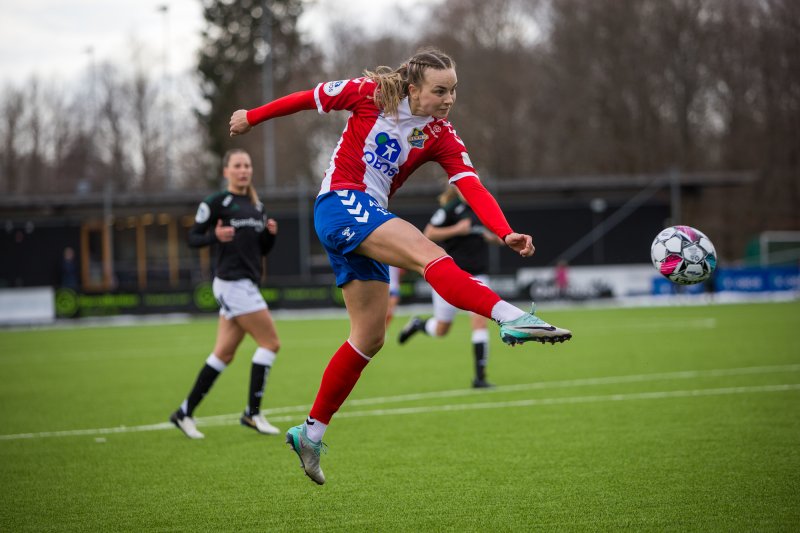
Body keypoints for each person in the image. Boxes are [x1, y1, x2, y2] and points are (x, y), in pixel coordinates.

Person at [229, 47, 572, 484]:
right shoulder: (367, 94)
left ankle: (310, 433)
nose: (449, 99)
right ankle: (512, 316)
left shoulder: (441, 134)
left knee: (369, 337)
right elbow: (305, 98)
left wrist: (505, 232)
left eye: (454, 90)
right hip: (340, 202)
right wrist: (251, 117)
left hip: (364, 217)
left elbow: (472, 186)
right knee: (429, 254)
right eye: (439, 90)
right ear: (412, 88)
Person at [169, 149, 282, 439]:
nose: (243, 170)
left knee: (224, 354)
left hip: (246, 283)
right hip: (232, 283)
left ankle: (184, 412)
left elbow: (262, 250)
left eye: (247, 165)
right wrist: (213, 237)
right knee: (270, 343)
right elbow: (192, 237)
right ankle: (252, 414)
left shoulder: (257, 206)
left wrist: (269, 235)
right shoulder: (217, 203)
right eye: (237, 165)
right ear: (226, 171)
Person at [397, 185, 502, 388]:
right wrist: (457, 229)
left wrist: (495, 237)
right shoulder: (450, 209)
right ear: (457, 189)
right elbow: (428, 232)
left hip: (478, 274)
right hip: (451, 276)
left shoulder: (481, 207)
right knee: (441, 329)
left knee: (480, 322)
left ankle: (480, 378)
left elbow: (495, 236)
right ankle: (419, 325)